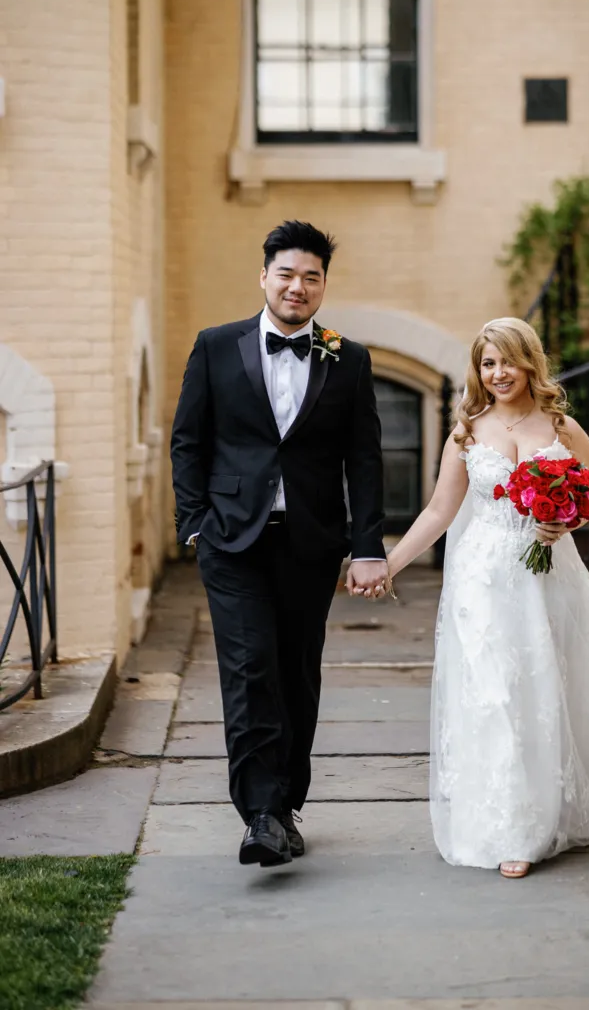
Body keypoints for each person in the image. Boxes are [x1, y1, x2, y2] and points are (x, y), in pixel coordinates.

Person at [384, 317, 589, 878]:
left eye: (508, 360)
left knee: (544, 685)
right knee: (494, 694)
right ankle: (508, 823)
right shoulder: (466, 431)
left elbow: (587, 500)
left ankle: (541, 816)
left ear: (530, 363)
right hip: (482, 581)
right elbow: (440, 511)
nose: (498, 372)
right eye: (488, 363)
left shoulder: (564, 428)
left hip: (545, 574)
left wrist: (564, 521)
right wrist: (387, 565)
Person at [171, 221, 388, 868]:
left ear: (323, 285)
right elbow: (189, 440)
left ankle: (287, 803)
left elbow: (365, 459)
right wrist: (194, 521)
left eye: (311, 277)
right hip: (231, 541)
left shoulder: (347, 358)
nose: (298, 286)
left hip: (311, 543)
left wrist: (367, 544)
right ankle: (260, 814)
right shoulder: (215, 346)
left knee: (296, 672)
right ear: (263, 276)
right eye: (286, 274)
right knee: (249, 671)